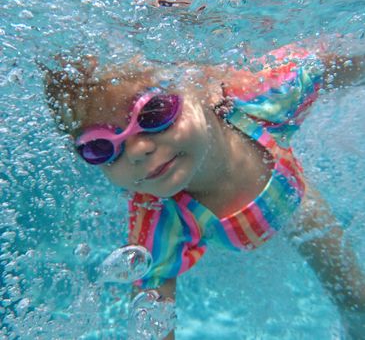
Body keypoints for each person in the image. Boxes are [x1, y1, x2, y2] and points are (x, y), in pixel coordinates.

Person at [43, 34, 365, 339]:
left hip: (298, 202)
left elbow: (330, 64)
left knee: (356, 298)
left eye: (154, 112)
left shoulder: (260, 95)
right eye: (100, 147)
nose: (139, 150)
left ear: (202, 88)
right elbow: (151, 320)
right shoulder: (157, 215)